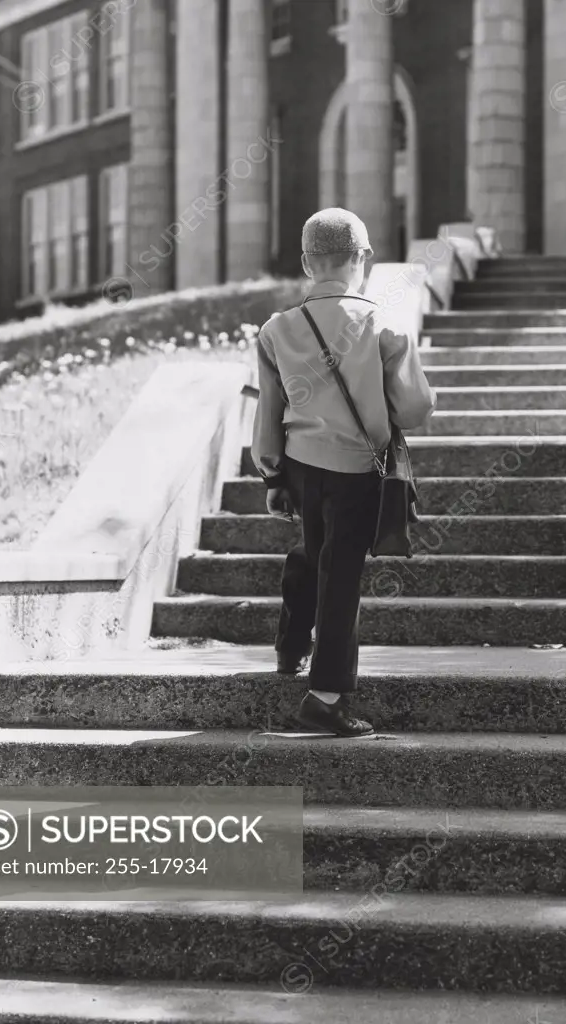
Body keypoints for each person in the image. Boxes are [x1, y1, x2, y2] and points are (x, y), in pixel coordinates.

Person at [251, 207, 436, 737]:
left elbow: (268, 413)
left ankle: (290, 649)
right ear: (362, 259)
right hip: (359, 468)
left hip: (301, 466)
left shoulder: (275, 330)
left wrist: (273, 477)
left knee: (311, 553)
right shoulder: (383, 322)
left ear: (308, 263)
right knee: (342, 578)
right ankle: (326, 697)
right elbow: (415, 410)